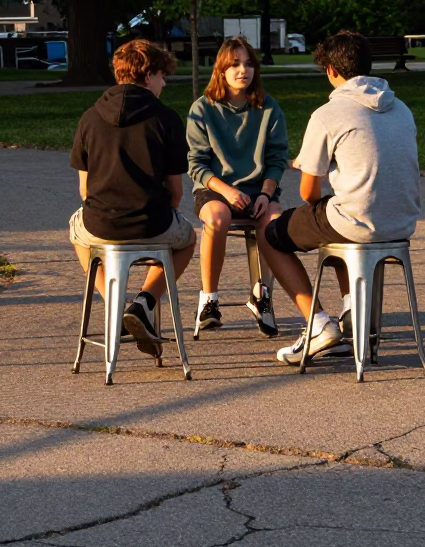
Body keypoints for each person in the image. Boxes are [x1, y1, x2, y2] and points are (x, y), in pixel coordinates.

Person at [260, 29, 421, 364]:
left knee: (271, 233)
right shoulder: (401, 107)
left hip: (358, 220)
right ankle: (352, 312)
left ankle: (319, 325)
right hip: (402, 222)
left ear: (331, 70)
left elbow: (308, 192)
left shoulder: (327, 114)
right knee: (333, 219)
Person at [69, 38, 197, 358]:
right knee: (188, 239)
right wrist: (158, 229)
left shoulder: (89, 117)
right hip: (152, 221)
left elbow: (84, 190)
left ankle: (113, 302)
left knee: (76, 232)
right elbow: (176, 191)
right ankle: (144, 302)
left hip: (100, 223)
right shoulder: (166, 118)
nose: (164, 83)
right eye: (162, 76)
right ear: (149, 75)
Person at [186, 37, 288, 337]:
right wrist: (228, 191)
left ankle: (261, 296)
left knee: (272, 220)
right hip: (215, 189)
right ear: (221, 70)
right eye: (235, 64)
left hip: (259, 189)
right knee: (218, 218)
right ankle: (209, 300)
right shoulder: (202, 109)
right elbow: (197, 165)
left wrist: (267, 193)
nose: (243, 70)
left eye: (248, 64)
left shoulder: (268, 107)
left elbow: (276, 159)